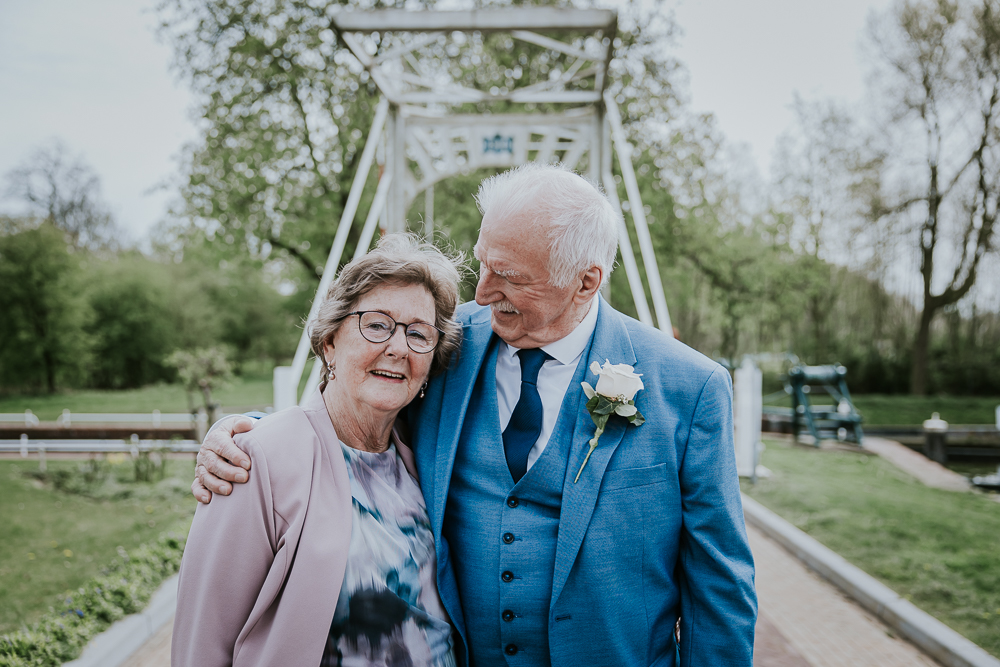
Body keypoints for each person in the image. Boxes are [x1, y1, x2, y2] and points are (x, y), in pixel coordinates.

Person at [194, 163, 757, 666]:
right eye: (484, 263)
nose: (483, 292)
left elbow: (719, 585)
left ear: (586, 281)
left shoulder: (690, 387)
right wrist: (251, 434)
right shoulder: (444, 342)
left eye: (510, 276)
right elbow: (359, 403)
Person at [172, 234, 463, 667]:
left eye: (418, 333)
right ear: (329, 341)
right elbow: (203, 640)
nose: (399, 347)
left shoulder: (427, 456)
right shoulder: (255, 459)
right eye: (377, 325)